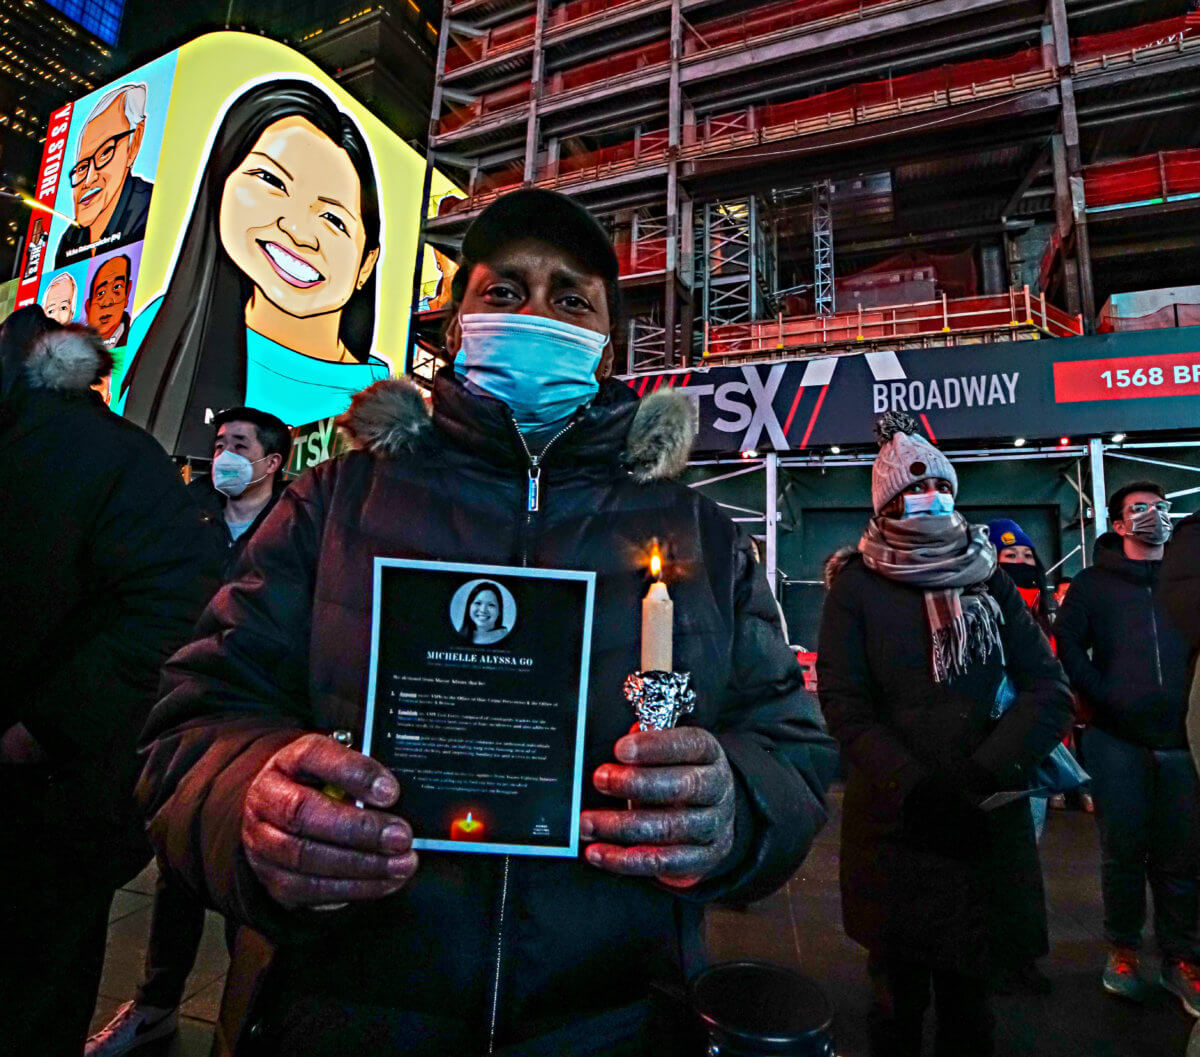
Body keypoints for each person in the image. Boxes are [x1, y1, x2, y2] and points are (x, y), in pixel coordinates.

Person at [136, 188, 838, 1057]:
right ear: (456, 323)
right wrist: (249, 803)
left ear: (606, 342)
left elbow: (792, 744)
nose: (536, 312)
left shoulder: (700, 536)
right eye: (504, 292)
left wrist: (737, 810)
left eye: (569, 297)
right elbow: (193, 718)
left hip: (612, 1022)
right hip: (349, 1014)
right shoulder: (336, 503)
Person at [818, 411, 1072, 1057]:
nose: (932, 497)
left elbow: (1046, 686)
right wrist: (917, 784)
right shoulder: (857, 584)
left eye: (942, 486)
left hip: (984, 816)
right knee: (894, 1000)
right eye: (915, 487)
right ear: (887, 500)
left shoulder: (988, 575)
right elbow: (846, 702)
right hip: (897, 818)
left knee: (972, 1004)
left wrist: (985, 771)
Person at [0, 306, 217, 1057]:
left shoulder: (107, 457)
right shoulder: (105, 451)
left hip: (49, 799)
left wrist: (45, 727)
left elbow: (172, 610)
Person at [86, 405, 292, 1056]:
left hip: (257, 715)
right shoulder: (184, 513)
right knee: (178, 860)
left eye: (239, 443)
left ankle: (244, 1017)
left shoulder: (296, 524)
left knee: (249, 876)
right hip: (179, 708)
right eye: (219, 441)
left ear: (272, 461)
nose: (224, 453)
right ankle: (154, 1006)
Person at [119, 80, 390, 456]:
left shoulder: (379, 408)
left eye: (332, 218)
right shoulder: (163, 323)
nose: (296, 231)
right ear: (221, 182)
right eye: (271, 180)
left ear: (366, 263)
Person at [1056, 482, 1200, 1015]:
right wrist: (1101, 693)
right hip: (1117, 741)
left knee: (1183, 857)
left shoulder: (1188, 582)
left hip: (1184, 740)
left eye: (1160, 507)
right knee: (1122, 855)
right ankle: (1122, 950)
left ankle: (1182, 958)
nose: (1153, 516)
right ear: (1118, 525)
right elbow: (1067, 643)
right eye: (1139, 509)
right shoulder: (1094, 585)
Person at [55, 83, 153, 268]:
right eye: (82, 168)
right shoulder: (70, 238)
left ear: (134, 144)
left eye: (105, 153)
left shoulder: (150, 206)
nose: (89, 179)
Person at [86, 253, 133, 349]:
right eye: (100, 293)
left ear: (127, 294)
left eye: (117, 287)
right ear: (88, 307)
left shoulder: (137, 335)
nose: (107, 302)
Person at [458, 580, 508, 644]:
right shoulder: (460, 638)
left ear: (499, 611)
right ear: (469, 607)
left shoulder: (507, 641)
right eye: (478, 603)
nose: (483, 610)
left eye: (491, 605)